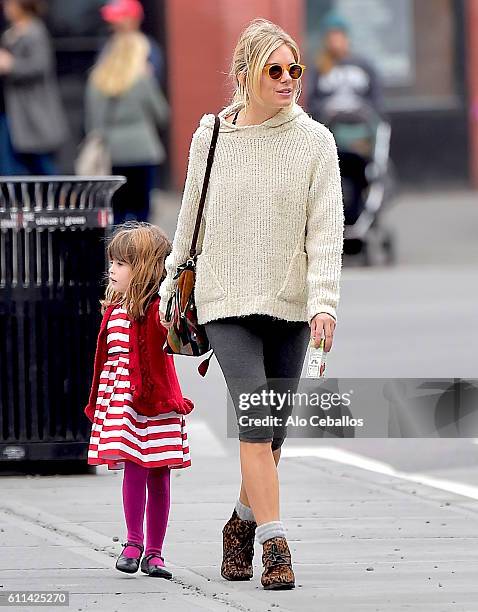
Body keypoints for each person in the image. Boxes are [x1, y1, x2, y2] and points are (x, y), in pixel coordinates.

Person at [159, 18, 344, 590]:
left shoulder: (316, 142)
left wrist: (325, 304)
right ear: (246, 75)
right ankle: (276, 545)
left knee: (273, 431)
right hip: (224, 300)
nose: (289, 80)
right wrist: (170, 285)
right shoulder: (211, 136)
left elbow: (326, 234)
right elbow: (190, 222)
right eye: (276, 70)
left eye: (296, 70)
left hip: (290, 303)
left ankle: (238, 525)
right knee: (255, 426)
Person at [84, 222, 193, 579]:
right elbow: (106, 361)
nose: (111, 269)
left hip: (159, 404)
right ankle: (133, 543)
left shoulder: (161, 311)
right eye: (112, 262)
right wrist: (100, 402)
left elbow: (185, 336)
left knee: (159, 474)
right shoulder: (112, 310)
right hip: (124, 405)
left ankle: (156, 553)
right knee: (133, 466)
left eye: (121, 263)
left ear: (144, 268)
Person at [84, 30, 168, 225]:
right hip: (143, 149)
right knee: (142, 211)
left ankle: (117, 251)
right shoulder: (142, 79)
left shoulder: (97, 80)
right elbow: (161, 113)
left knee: (116, 209)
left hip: (112, 153)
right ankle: (141, 252)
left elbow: (93, 122)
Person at [0, 0, 68, 175]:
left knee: (43, 164)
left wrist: (11, 65)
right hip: (12, 113)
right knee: (13, 168)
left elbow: (40, 65)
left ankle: (56, 201)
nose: (6, 8)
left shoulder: (35, 32)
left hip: (33, 113)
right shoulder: (10, 33)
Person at [308, 11, 385, 123]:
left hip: (361, 123)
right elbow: (312, 101)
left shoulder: (363, 64)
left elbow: (377, 99)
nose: (335, 42)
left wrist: (367, 111)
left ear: (346, 37)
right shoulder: (318, 67)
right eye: (331, 37)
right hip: (330, 125)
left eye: (339, 36)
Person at [100, 0, 165, 88]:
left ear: (134, 20)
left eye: (118, 23)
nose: (113, 27)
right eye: (112, 23)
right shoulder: (109, 46)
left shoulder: (148, 47)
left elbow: (152, 86)